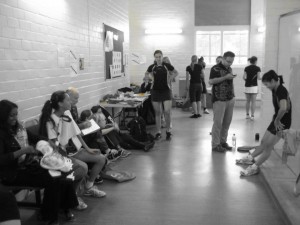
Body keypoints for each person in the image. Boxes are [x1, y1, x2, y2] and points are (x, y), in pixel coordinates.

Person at [0, 100, 78, 225]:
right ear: (3, 116)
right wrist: (23, 151)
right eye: (11, 115)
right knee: (52, 178)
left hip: (27, 166)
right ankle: (49, 215)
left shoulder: (18, 128)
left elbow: (35, 138)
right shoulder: (2, 134)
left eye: (16, 114)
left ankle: (64, 208)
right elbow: (2, 160)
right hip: (12, 173)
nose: (15, 118)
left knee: (64, 171)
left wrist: (47, 141)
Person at [39, 91, 107, 198]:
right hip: (59, 155)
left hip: (72, 150)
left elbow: (76, 132)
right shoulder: (50, 121)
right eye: (68, 100)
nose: (71, 102)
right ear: (61, 104)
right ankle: (72, 196)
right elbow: (54, 147)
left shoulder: (66, 114)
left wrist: (88, 148)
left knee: (101, 158)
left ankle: (88, 187)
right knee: (82, 168)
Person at [236, 70, 292, 176]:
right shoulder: (276, 87)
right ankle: (250, 158)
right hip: (278, 120)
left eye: (267, 84)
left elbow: (284, 108)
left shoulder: (280, 90)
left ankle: (254, 167)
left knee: (268, 147)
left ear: (272, 81)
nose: (266, 87)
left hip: (281, 123)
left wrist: (276, 120)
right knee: (263, 142)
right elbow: (286, 106)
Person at [145, 50, 178, 140]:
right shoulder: (152, 67)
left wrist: (170, 78)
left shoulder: (166, 66)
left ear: (162, 57)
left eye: (160, 56)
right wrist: (149, 78)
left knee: (167, 111)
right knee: (158, 112)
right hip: (155, 91)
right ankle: (158, 132)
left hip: (166, 91)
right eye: (156, 57)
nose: (158, 58)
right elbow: (146, 74)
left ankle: (168, 131)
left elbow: (176, 72)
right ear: (154, 58)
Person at [209, 51, 237, 152]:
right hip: (219, 99)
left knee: (227, 122)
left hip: (230, 98)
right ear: (223, 59)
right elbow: (211, 81)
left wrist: (233, 95)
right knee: (218, 123)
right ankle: (215, 145)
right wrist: (225, 77)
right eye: (228, 61)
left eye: (232, 61)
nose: (230, 63)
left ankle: (222, 142)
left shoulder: (229, 68)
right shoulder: (215, 68)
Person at [243, 56, 261, 120]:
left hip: (247, 86)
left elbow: (244, 77)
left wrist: (248, 81)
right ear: (255, 61)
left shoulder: (246, 68)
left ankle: (247, 115)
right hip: (254, 86)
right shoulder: (258, 68)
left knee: (247, 101)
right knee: (253, 101)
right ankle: (252, 116)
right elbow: (259, 78)